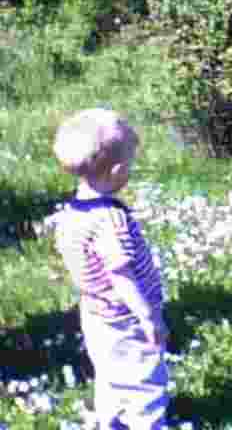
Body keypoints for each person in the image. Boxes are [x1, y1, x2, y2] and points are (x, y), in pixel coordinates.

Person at [52, 108, 169, 430]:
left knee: (110, 375)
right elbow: (121, 273)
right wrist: (148, 316)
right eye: (130, 163)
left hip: (95, 314)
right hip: (126, 318)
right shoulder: (110, 219)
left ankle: (111, 423)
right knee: (144, 382)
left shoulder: (72, 214)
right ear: (117, 171)